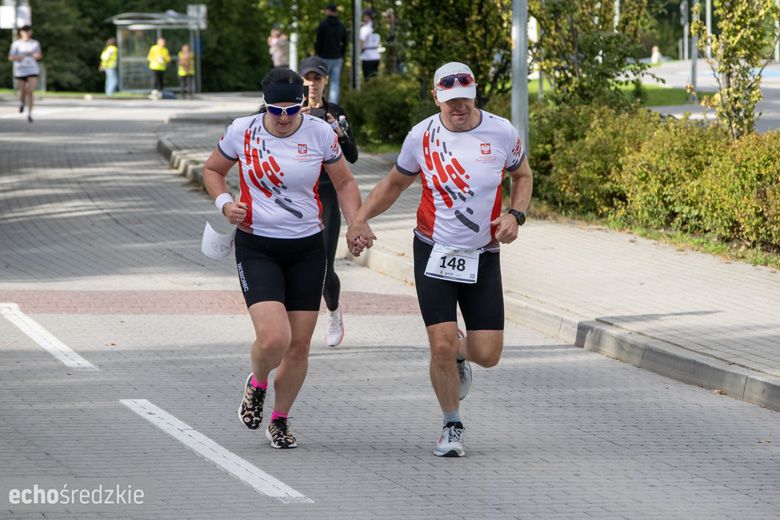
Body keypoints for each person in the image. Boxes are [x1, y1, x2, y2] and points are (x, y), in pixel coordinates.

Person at [347, 62, 533, 458]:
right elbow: (395, 183)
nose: (458, 107)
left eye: (464, 99)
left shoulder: (501, 132)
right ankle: (452, 424)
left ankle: (462, 355)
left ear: (475, 94)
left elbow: (523, 176)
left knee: (488, 354)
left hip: (482, 253)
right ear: (436, 98)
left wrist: (515, 215)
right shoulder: (422, 137)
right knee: (442, 344)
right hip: (434, 250)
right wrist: (360, 218)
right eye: (450, 101)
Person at [202, 68, 369, 449]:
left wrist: (357, 221)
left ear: (301, 106)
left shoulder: (320, 133)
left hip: (307, 248)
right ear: (265, 103)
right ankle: (258, 381)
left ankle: (279, 419)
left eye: (292, 110)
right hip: (257, 244)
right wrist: (226, 203)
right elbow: (213, 170)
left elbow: (344, 181)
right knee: (275, 338)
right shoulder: (242, 130)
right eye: (275, 110)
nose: (283, 118)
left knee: (299, 346)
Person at [299, 56, 358, 347]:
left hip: (326, 193)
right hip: (297, 195)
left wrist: (338, 129)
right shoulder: (288, 111)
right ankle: (296, 326)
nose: (312, 85)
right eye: (307, 79)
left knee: (323, 266)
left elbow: (353, 155)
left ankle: (333, 311)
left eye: (317, 79)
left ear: (325, 82)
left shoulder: (336, 112)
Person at [314, 3, 348, 103]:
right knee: (335, 82)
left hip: (324, 57)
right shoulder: (341, 26)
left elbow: (318, 41)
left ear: (327, 11)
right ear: (336, 12)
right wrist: (341, 54)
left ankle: (321, 103)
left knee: (322, 80)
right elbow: (345, 42)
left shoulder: (323, 25)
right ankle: (333, 104)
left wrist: (318, 53)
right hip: (337, 57)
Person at [8, 25, 42, 123]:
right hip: (21, 70)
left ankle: (30, 113)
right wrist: (18, 57)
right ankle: (21, 103)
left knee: (30, 91)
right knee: (22, 90)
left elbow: (39, 55)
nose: (27, 34)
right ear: (21, 33)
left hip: (32, 69)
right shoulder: (16, 44)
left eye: (28, 32)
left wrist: (36, 55)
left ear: (31, 32)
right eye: (25, 32)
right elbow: (10, 57)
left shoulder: (35, 43)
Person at [359, 8, 381, 80]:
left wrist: (359, 54)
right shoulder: (376, 28)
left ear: (367, 17)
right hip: (376, 56)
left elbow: (362, 43)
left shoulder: (364, 29)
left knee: (367, 79)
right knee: (374, 79)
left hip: (367, 57)